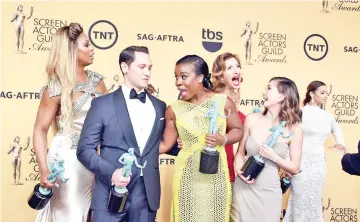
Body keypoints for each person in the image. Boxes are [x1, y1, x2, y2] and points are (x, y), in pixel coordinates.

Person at [77, 46, 166, 222]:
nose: (147, 72)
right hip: (109, 194)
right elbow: (85, 150)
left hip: (146, 195)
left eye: (150, 67)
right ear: (125, 67)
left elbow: (158, 144)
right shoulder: (102, 104)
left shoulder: (159, 106)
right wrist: (112, 173)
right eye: (142, 67)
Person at [33, 23, 107, 222]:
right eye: (86, 45)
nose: (92, 49)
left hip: (97, 159)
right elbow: (40, 130)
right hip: (67, 160)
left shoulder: (98, 81)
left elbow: (112, 121)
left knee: (95, 215)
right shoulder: (55, 87)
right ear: (71, 50)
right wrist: (44, 169)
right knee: (71, 214)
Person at [159, 55, 244, 222]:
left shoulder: (223, 102)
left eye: (183, 76)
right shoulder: (173, 110)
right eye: (176, 77)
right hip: (186, 180)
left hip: (216, 179)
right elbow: (164, 145)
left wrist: (223, 139)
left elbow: (238, 129)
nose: (178, 82)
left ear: (200, 77)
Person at [233, 77, 303, 222]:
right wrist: (239, 170)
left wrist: (274, 157)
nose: (264, 92)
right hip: (243, 189)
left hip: (269, 191)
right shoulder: (251, 119)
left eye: (269, 88)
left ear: (282, 96)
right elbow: (240, 153)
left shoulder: (294, 129)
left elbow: (295, 168)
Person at [283, 80, 345, 222]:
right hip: (300, 163)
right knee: (299, 197)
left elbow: (337, 131)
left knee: (314, 199)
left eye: (327, 94)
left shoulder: (327, 116)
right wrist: (288, 162)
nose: (325, 96)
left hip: (318, 165)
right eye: (322, 93)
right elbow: (289, 137)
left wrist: (340, 143)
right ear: (311, 94)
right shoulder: (300, 113)